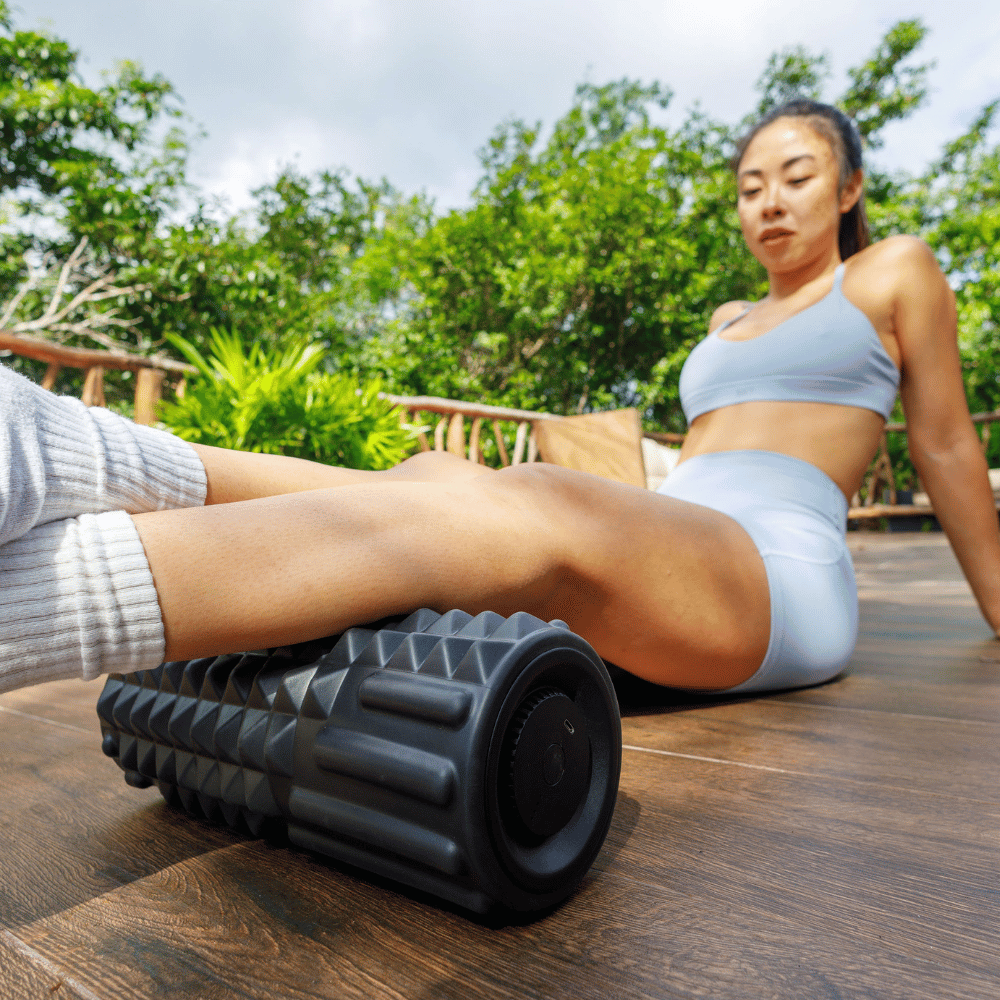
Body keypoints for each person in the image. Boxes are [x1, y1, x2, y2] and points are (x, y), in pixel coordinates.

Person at [2, 99, 998, 698]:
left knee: (542, 502)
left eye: (796, 177)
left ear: (848, 187)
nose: (768, 200)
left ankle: (48, 510)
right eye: (748, 186)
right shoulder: (727, 316)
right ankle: (71, 453)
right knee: (438, 469)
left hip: (775, 575)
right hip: (680, 545)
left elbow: (948, 447)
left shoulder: (890, 271)